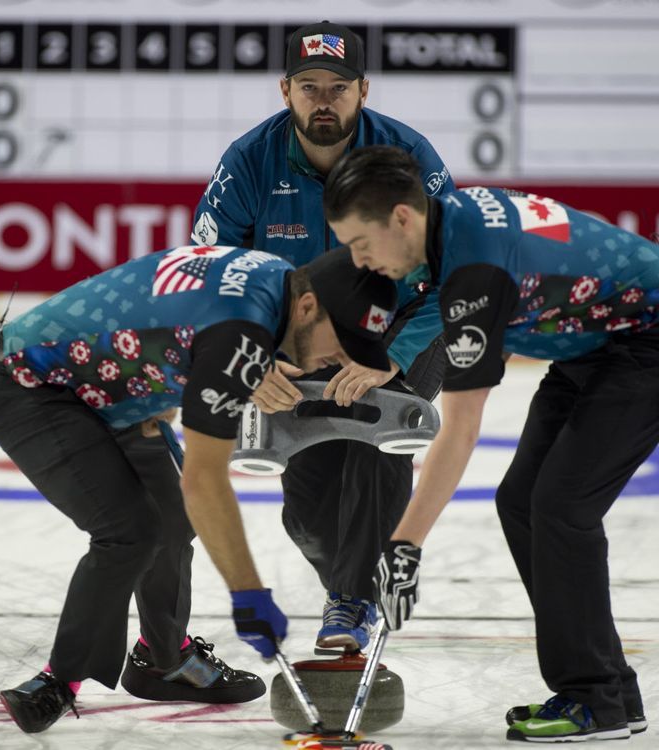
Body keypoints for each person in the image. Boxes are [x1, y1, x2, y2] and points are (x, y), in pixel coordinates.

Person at [324, 146, 659, 743]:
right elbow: (449, 302)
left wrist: (403, 547)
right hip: (594, 343)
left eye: (361, 244)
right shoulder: (447, 221)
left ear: (401, 217)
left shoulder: (474, 278)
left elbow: (459, 430)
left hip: (658, 340)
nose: (363, 263)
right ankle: (610, 687)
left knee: (563, 507)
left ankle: (596, 700)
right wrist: (395, 358)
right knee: (523, 501)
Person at [0, 245, 398, 733]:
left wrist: (235, 367)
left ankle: (164, 660)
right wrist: (248, 594)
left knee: (172, 520)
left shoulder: (276, 280)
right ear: (307, 307)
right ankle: (57, 681)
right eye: (342, 344)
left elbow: (177, 315)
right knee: (130, 532)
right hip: (31, 387)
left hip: (113, 387)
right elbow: (206, 480)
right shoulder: (237, 338)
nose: (340, 361)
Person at [191, 20, 454, 654]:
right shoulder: (248, 161)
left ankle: (353, 600)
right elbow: (210, 274)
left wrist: (391, 357)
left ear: (364, 90)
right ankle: (352, 580)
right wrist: (249, 359)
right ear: (285, 91)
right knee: (306, 507)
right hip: (295, 336)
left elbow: (455, 270)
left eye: (338, 87)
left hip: (402, 323)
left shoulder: (407, 155)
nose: (324, 99)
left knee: (372, 438)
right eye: (309, 86)